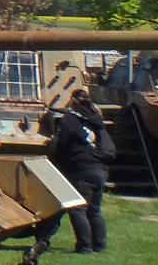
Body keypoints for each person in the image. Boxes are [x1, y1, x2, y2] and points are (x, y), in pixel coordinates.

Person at [45, 89, 112, 253]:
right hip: (100, 167)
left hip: (81, 168)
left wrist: (52, 147)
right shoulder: (96, 118)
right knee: (94, 210)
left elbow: (62, 145)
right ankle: (100, 245)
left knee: (77, 208)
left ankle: (84, 246)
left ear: (73, 100)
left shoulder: (70, 119)